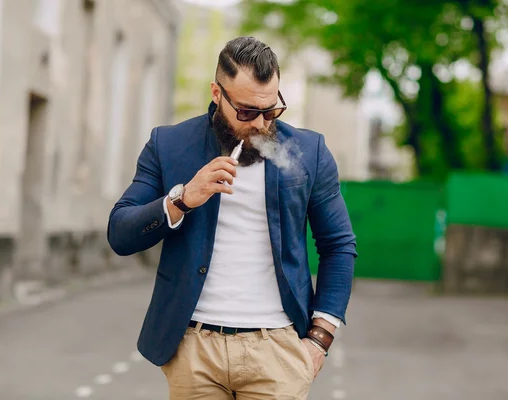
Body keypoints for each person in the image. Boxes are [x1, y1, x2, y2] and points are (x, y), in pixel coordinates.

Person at [107, 36, 357, 400]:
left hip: (278, 347)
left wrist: (319, 339)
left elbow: (338, 245)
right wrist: (182, 198)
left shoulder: (310, 152)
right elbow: (120, 233)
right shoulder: (169, 144)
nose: (259, 124)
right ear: (216, 93)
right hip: (194, 348)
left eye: (270, 111)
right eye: (245, 112)